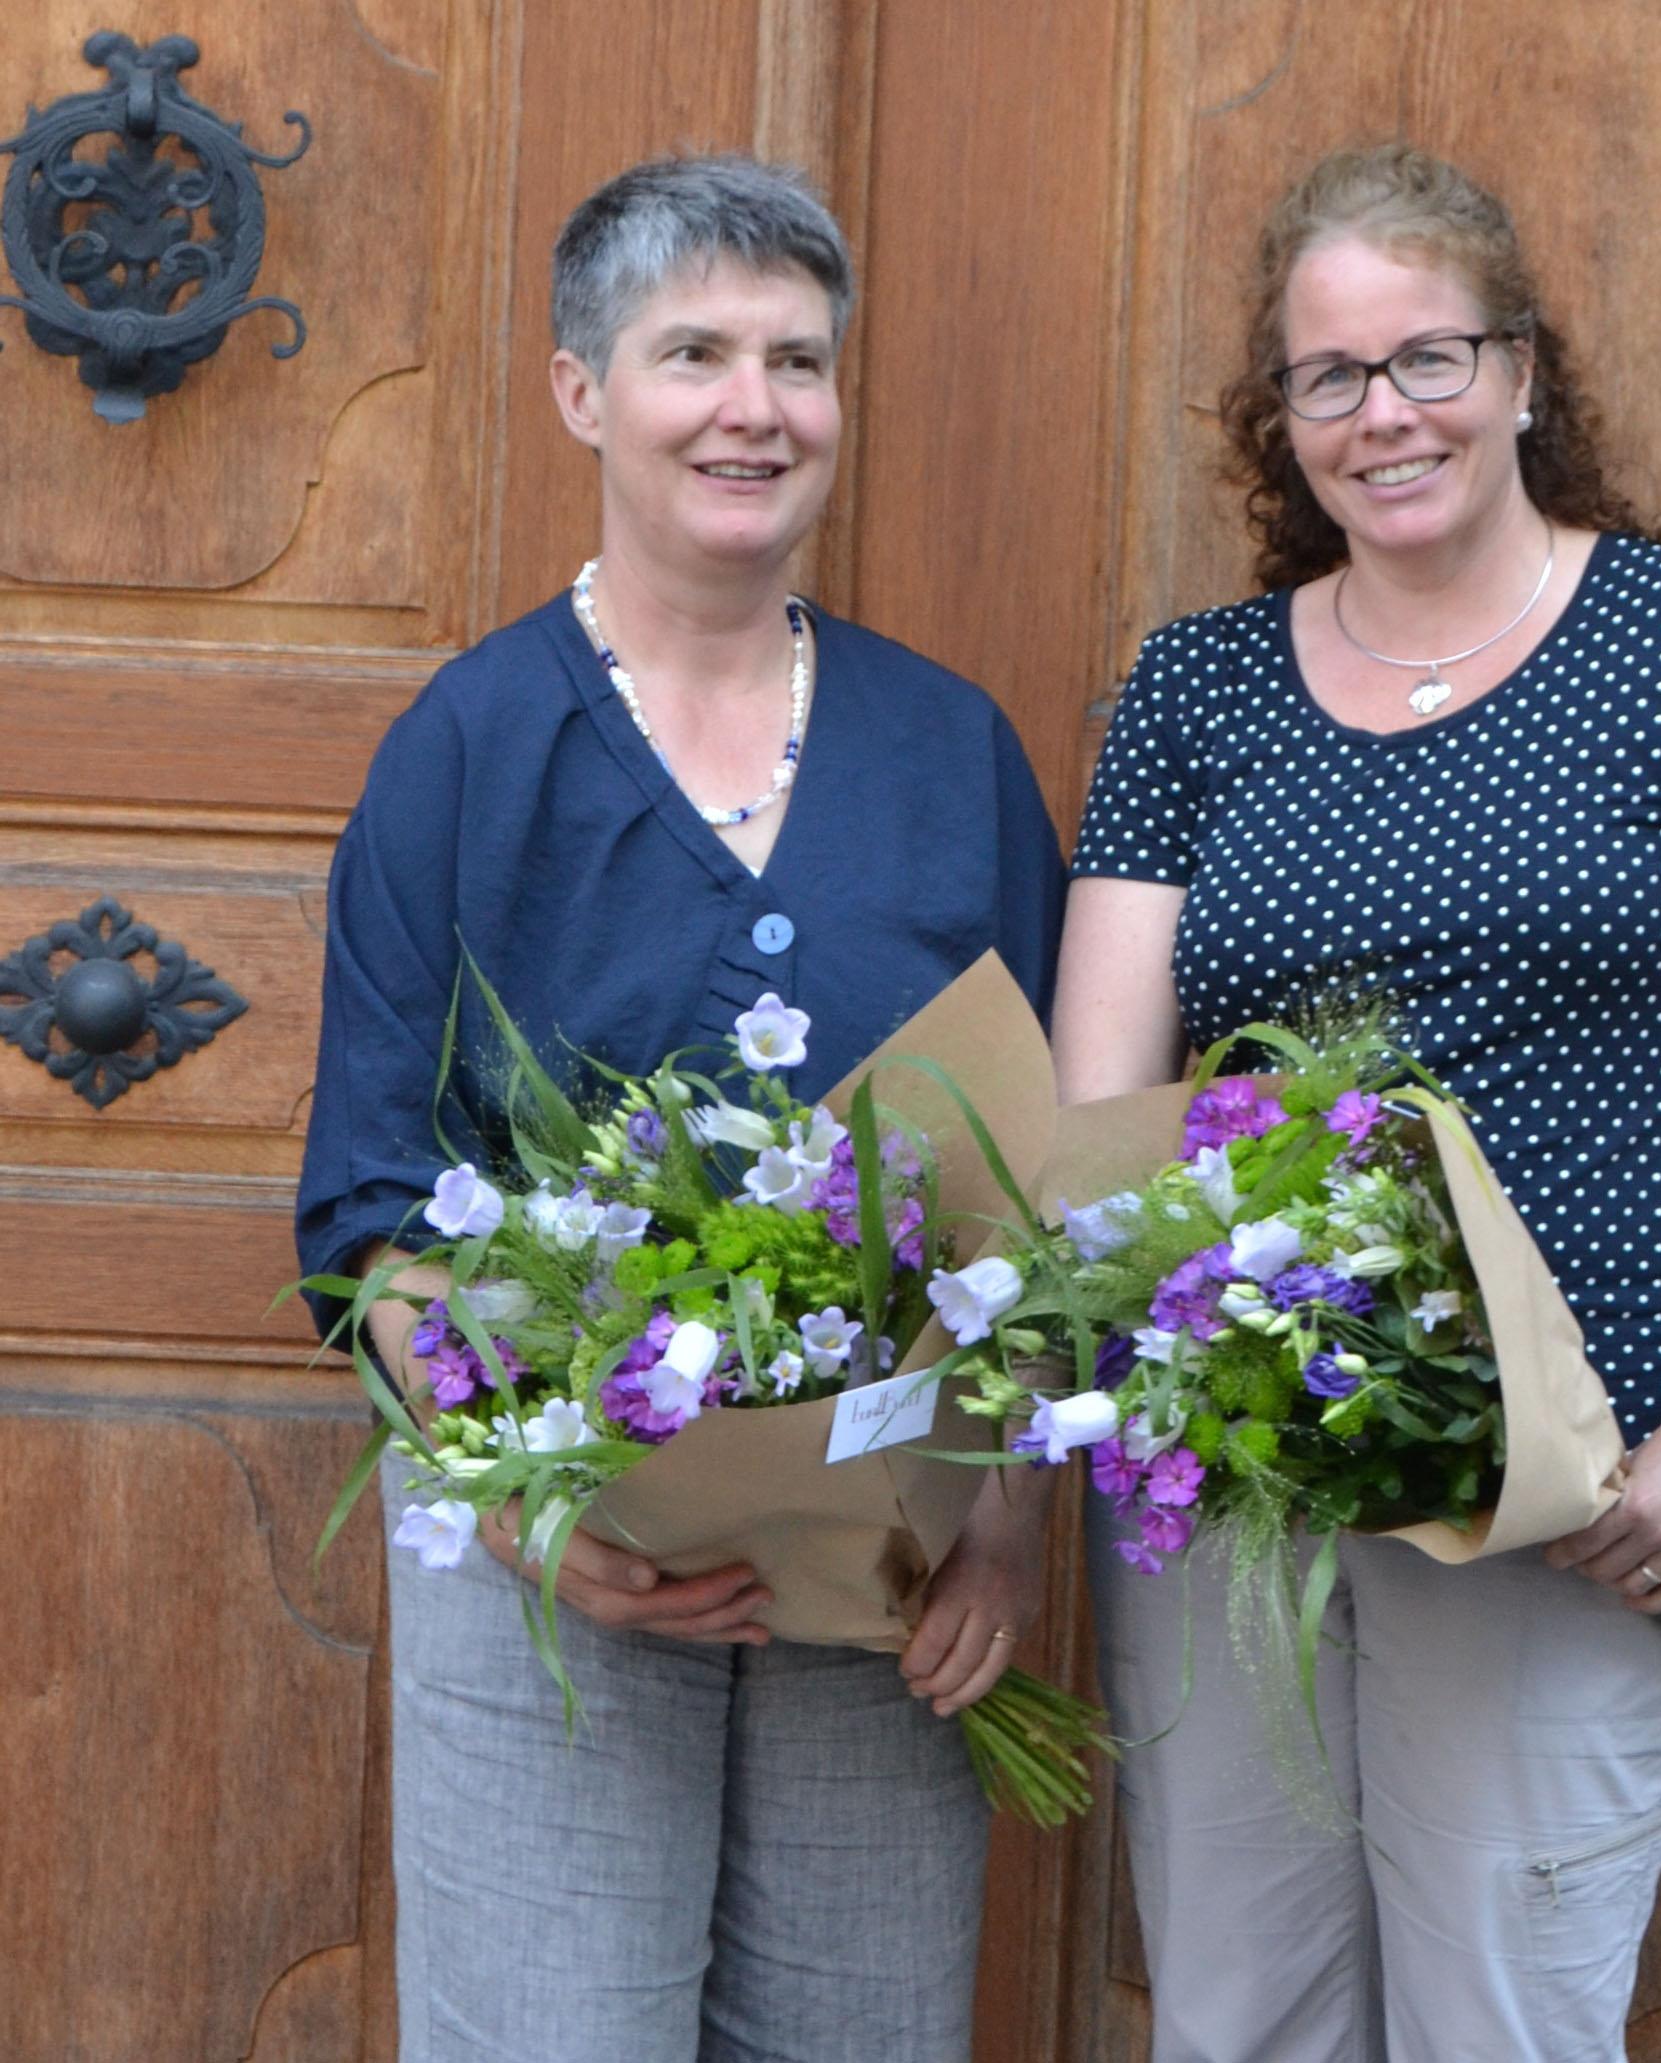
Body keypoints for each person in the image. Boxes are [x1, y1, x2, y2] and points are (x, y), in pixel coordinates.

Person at [1053, 144, 1661, 2062]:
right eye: (1328, 378)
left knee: (1500, 2024)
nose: (1384, 416)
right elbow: (1100, 1104)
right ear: (1278, 421)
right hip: (1250, 1465)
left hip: (1581, 1478)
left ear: (1524, 371)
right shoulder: (1196, 692)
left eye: (1428, 358)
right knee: (1239, 2021)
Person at [296, 155, 1063, 2063]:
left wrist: (1008, 1519)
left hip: (889, 1553)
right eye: (693, 352)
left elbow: (1043, 1180)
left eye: (797, 362)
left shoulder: (946, 748)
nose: (754, 408)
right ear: (581, 392)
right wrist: (522, 1513)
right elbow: (374, 1209)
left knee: (861, 2033)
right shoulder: (467, 747)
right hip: (553, 1546)